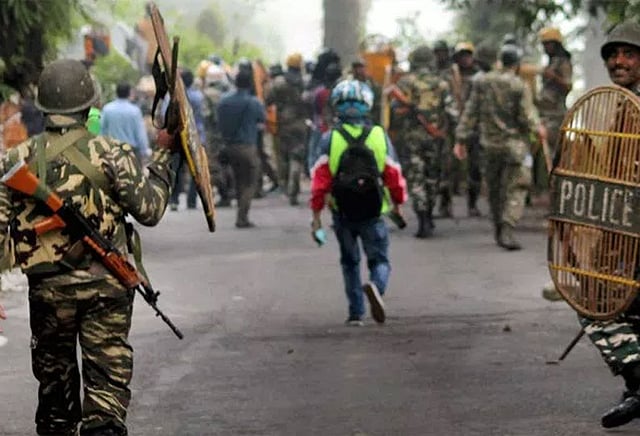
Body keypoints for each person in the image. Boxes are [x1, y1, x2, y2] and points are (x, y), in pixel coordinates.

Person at [0, 59, 178, 436]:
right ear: (89, 104)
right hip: (107, 289)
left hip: (48, 292)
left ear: (44, 106)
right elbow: (149, 210)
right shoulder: (114, 153)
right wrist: (164, 156)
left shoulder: (15, 159)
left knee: (55, 400)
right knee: (106, 396)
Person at [574, 21, 640, 429]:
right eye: (613, 54)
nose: (619, 61)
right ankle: (636, 384)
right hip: (625, 233)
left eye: (629, 53)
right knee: (599, 301)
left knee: (603, 305)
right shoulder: (620, 106)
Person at [309, 79, 407, 326]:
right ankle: (376, 287)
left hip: (342, 211)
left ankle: (356, 313)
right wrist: (398, 204)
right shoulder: (379, 136)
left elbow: (319, 181)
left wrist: (316, 217)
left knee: (350, 262)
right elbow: (393, 175)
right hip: (373, 210)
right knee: (380, 259)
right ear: (368, 105)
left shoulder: (329, 138)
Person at [454, 45, 546, 250]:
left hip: (489, 145)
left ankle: (498, 225)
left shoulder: (482, 82)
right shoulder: (519, 85)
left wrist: (460, 139)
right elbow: (527, 115)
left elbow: (470, 112)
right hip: (514, 145)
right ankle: (508, 225)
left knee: (494, 188)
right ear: (517, 64)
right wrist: (538, 128)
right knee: (517, 187)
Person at [392, 45, 457, 238]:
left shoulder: (405, 82)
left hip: (412, 138)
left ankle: (422, 218)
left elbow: (395, 110)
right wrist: (456, 135)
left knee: (416, 177)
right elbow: (452, 111)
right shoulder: (441, 83)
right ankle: (428, 213)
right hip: (436, 137)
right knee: (432, 176)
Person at [217, 69, 266, 228]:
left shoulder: (223, 101)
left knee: (238, 180)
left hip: (228, 146)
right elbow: (262, 119)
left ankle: (241, 212)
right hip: (247, 146)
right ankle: (242, 217)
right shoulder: (253, 102)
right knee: (250, 181)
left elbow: (219, 122)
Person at [265, 53, 307, 206]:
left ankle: (286, 185)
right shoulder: (305, 81)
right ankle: (294, 185)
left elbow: (268, 100)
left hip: (283, 124)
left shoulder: (279, 82)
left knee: (283, 156)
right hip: (301, 123)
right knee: (297, 154)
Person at [168, 69, 205, 211]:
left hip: (177, 137)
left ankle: (174, 200)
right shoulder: (198, 97)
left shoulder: (173, 97)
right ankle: (191, 200)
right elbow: (202, 116)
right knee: (196, 170)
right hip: (195, 136)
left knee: (176, 169)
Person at [101, 82, 151, 163]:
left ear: (116, 93)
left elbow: (102, 130)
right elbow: (140, 133)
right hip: (131, 152)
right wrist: (144, 151)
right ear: (129, 93)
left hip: (112, 152)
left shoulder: (107, 109)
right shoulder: (134, 111)